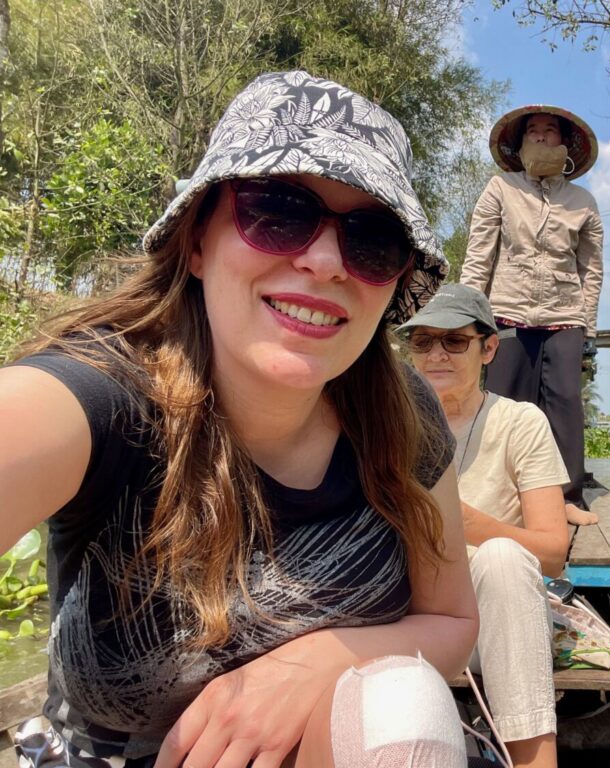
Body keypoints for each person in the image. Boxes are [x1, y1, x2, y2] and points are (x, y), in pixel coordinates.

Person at [0, 70, 479, 768]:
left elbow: (452, 619)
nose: (323, 262)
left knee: (401, 700)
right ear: (197, 241)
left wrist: (317, 662)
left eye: (371, 240)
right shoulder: (103, 396)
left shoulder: (406, 414)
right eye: (279, 211)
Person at [401, 283, 569, 768]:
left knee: (502, 556)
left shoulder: (520, 422)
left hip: (492, 623)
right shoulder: (389, 424)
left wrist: (464, 523)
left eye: (454, 341)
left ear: (488, 347)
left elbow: (554, 551)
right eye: (423, 341)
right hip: (408, 621)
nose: (436, 354)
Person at [460, 105, 604, 526]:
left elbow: (590, 270)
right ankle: (505, 495)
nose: (542, 137)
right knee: (505, 405)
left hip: (565, 315)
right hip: (507, 312)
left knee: (565, 404)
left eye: (550, 131)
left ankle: (567, 498)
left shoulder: (583, 202)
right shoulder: (500, 190)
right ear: (521, 144)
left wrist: (588, 324)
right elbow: (479, 255)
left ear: (564, 144)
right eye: (534, 132)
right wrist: (471, 313)